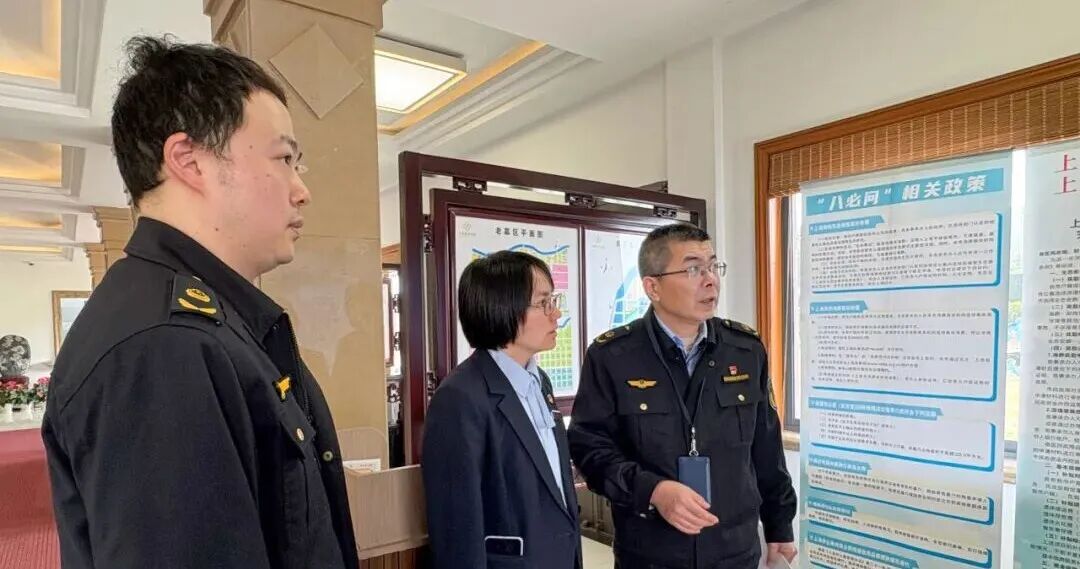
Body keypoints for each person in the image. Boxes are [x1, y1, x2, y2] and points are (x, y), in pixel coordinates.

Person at [41, 36, 358, 569]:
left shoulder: (213, 320)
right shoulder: (162, 347)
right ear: (189, 161)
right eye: (284, 158)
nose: (301, 190)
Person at [568, 223, 797, 569]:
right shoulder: (613, 356)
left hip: (734, 551)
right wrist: (652, 491)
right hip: (650, 554)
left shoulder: (745, 349)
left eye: (713, 266)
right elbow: (589, 449)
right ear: (653, 287)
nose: (710, 280)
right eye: (693, 269)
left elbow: (766, 447)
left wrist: (780, 524)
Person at [422, 251, 582, 569]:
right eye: (543, 302)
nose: (556, 313)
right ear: (502, 307)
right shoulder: (460, 397)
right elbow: (456, 523)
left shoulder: (540, 381)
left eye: (554, 300)